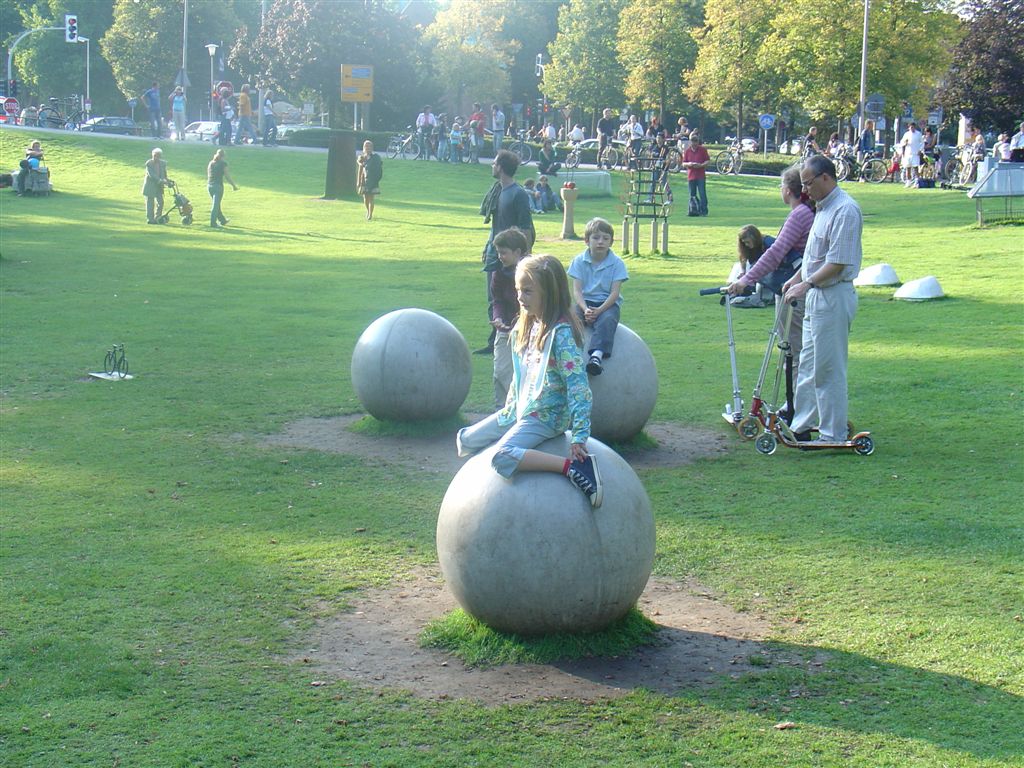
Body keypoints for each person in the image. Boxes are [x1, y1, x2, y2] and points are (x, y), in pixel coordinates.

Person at [455, 254, 603, 508]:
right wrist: (510, 410)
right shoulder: (532, 324)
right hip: (521, 410)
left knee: (502, 456)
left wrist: (579, 436)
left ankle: (574, 468)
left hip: (546, 417)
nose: (520, 298)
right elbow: (522, 375)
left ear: (549, 293)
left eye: (527, 291)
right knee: (465, 440)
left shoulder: (561, 335)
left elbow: (578, 387)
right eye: (518, 290)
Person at [781, 155, 862, 445]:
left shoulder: (845, 210)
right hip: (816, 294)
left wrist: (807, 283)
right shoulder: (822, 209)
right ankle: (801, 425)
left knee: (829, 368)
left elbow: (837, 263)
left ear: (826, 178)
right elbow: (814, 256)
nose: (805, 191)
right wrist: (797, 277)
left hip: (833, 295)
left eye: (808, 184)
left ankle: (832, 433)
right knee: (808, 364)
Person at [727, 164, 815, 373]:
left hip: (794, 288)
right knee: (796, 347)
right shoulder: (806, 212)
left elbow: (776, 253)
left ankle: (796, 392)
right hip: (801, 284)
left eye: (780, 186)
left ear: (788, 190)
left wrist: (746, 279)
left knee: (793, 349)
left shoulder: (799, 215)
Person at [478, 150, 536, 354]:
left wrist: (525, 258)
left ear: (501, 167)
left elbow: (526, 227)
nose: (492, 166)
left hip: (514, 256)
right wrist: (488, 247)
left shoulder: (518, 194)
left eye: (494, 163)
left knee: (515, 298)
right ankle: (495, 338)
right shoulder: (499, 191)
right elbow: (496, 225)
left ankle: (518, 337)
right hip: (496, 254)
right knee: (494, 297)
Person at [568, 217, 628, 377]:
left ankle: (596, 356)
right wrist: (585, 309)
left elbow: (615, 293)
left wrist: (599, 310)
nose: (600, 242)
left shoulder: (617, 264)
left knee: (607, 320)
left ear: (611, 242)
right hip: (584, 303)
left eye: (605, 238)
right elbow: (577, 291)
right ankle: (568, 353)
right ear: (587, 241)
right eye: (596, 237)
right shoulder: (579, 261)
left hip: (607, 304)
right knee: (570, 320)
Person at [488, 227, 530, 408]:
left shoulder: (533, 272)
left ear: (518, 252)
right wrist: (498, 318)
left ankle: (522, 409)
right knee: (500, 372)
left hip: (529, 330)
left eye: (503, 253)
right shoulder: (498, 273)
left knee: (526, 373)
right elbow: (497, 300)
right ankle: (502, 412)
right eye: (498, 252)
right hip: (505, 329)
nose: (500, 257)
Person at [207, 148, 238, 228]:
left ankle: (222, 220)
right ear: (223, 156)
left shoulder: (211, 163)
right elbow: (227, 176)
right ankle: (213, 223)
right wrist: (233, 185)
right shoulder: (223, 164)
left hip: (210, 186)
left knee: (217, 204)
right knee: (215, 206)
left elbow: (209, 174)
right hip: (218, 186)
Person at [681, 130, 711, 216]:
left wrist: (701, 165)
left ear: (698, 142)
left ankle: (704, 210)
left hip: (700, 175)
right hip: (691, 176)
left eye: (696, 141)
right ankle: (693, 210)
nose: (694, 144)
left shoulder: (702, 150)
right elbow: (683, 163)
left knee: (702, 193)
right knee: (692, 194)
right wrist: (689, 164)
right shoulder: (687, 151)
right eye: (692, 141)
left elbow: (708, 161)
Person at [356, 140, 383, 221]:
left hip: (373, 180)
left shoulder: (376, 157)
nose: (367, 148)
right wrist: (358, 181)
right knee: (365, 197)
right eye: (366, 146)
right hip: (364, 181)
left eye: (369, 146)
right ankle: (367, 211)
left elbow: (379, 169)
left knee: (371, 197)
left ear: (372, 148)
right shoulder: (362, 158)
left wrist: (376, 179)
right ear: (364, 148)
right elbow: (360, 170)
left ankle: (370, 214)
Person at [142, 147, 169, 224]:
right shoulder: (149, 164)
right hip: (150, 186)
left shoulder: (163, 163)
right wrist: (160, 180)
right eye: (154, 156)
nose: (156, 157)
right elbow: (152, 175)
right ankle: (150, 219)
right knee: (150, 204)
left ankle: (158, 218)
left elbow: (164, 174)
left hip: (159, 187)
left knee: (161, 202)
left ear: (160, 156)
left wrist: (167, 181)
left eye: (157, 156)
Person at [899, 121, 923, 186]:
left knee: (915, 168)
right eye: (911, 127)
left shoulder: (918, 134)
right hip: (907, 153)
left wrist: (920, 150)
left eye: (913, 127)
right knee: (908, 168)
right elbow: (902, 142)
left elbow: (922, 143)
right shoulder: (906, 134)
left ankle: (916, 182)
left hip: (915, 153)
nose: (912, 128)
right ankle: (908, 182)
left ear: (915, 127)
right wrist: (905, 143)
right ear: (909, 127)